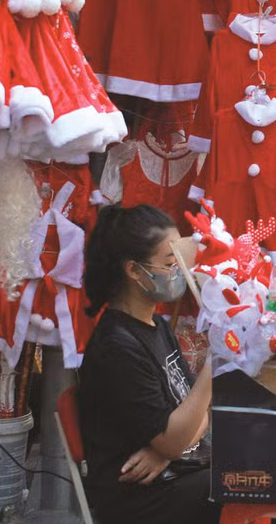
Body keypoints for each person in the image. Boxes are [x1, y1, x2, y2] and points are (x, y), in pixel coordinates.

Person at [79, 205, 219, 523]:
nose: (181, 272)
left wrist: (166, 450)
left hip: (175, 474)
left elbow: (197, 414)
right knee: (243, 485)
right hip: (139, 501)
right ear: (134, 271)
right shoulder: (116, 346)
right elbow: (181, 426)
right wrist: (215, 362)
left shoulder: (156, 326)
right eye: (171, 263)